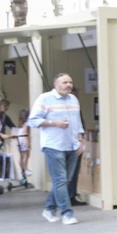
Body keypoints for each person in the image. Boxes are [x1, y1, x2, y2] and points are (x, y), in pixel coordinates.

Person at [28, 72, 84, 224]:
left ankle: (49, 209)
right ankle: (67, 213)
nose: (68, 85)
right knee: (60, 180)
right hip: (53, 145)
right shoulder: (45, 99)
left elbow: (77, 122)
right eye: (65, 82)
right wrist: (54, 123)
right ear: (55, 84)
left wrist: (80, 139)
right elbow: (33, 120)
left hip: (72, 144)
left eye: (70, 82)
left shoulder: (73, 99)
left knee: (65, 181)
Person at [14, 107, 31, 185]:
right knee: (26, 156)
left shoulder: (21, 124)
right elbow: (26, 134)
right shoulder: (27, 124)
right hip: (24, 139)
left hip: (19, 139)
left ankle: (23, 170)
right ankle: (25, 168)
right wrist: (28, 143)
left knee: (21, 156)